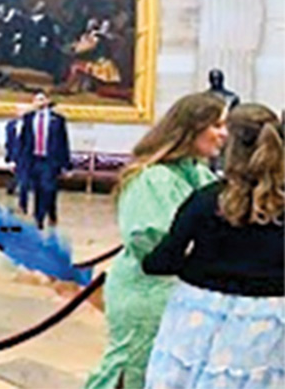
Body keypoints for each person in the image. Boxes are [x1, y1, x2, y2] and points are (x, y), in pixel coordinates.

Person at [85, 92, 228, 389]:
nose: (223, 134)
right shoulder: (153, 178)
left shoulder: (198, 173)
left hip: (178, 292)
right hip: (146, 293)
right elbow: (150, 241)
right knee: (133, 367)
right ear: (191, 128)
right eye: (216, 125)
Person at [143, 103, 284, 388]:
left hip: (199, 311)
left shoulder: (206, 200)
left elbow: (161, 261)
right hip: (270, 320)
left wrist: (197, 265)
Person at [17, 91, 71, 229]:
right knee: (38, 189)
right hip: (34, 159)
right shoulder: (28, 118)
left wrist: (66, 165)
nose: (39, 102)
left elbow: (63, 142)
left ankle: (50, 212)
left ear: (47, 100)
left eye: (42, 99)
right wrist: (19, 160)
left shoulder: (57, 120)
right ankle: (39, 217)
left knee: (48, 188)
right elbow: (23, 140)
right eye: (36, 99)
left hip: (50, 160)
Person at [4, 104, 29, 213]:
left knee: (24, 180)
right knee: (17, 176)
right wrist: (10, 159)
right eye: (19, 110)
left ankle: (23, 204)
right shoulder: (10, 125)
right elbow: (9, 142)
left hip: (26, 156)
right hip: (15, 155)